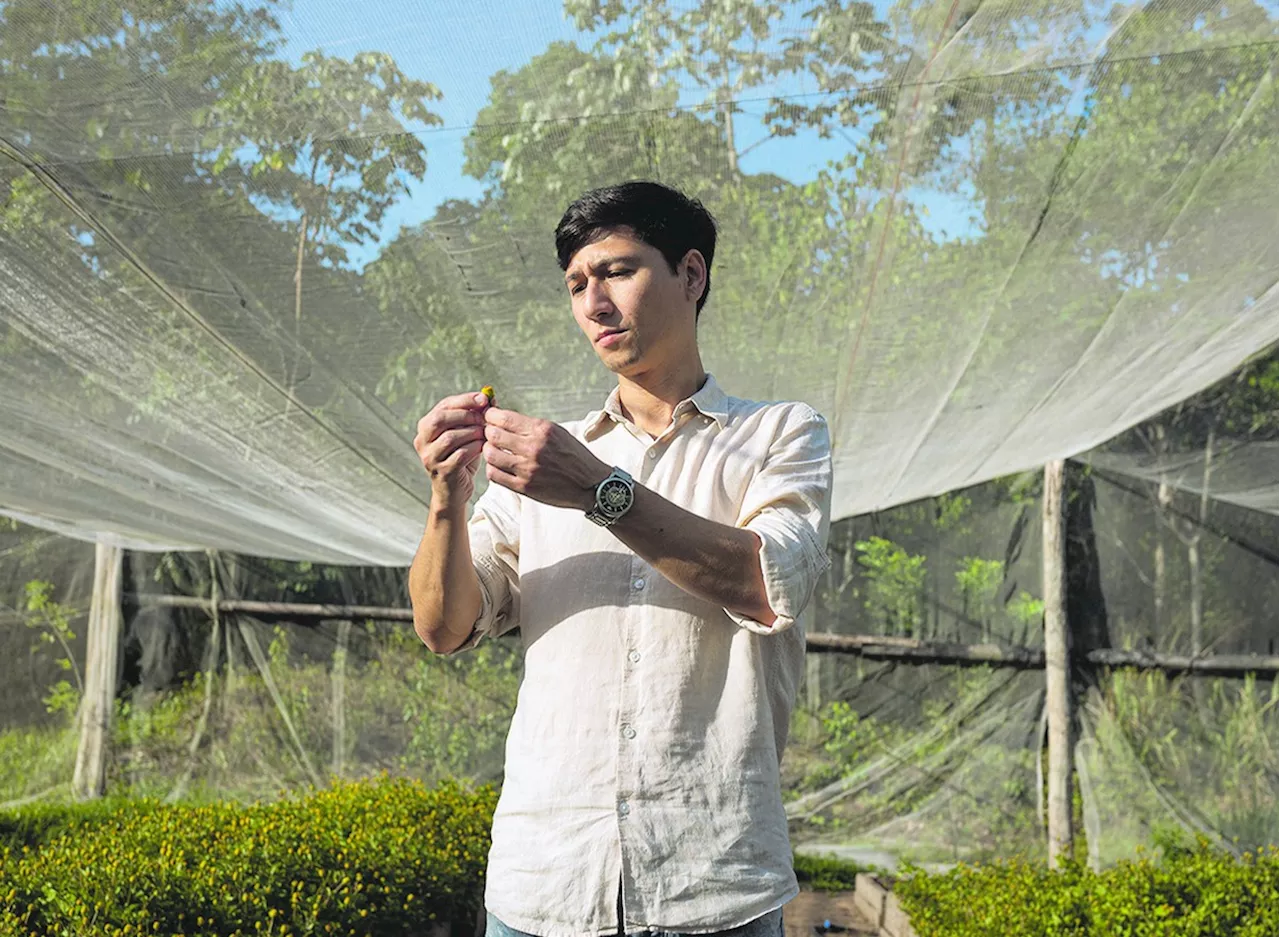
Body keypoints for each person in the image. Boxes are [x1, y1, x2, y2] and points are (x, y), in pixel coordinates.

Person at [409, 181, 833, 937]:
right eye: (577, 284)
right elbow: (444, 626)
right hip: (545, 882)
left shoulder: (780, 435)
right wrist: (447, 497)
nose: (593, 303)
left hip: (710, 882)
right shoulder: (541, 463)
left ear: (691, 275)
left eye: (617, 271)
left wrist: (598, 491)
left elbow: (764, 582)